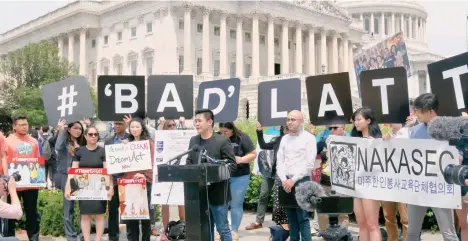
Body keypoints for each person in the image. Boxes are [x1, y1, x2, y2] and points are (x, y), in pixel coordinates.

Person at [406, 93, 458, 241]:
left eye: (418, 110)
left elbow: (458, 154)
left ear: (430, 111)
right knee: (412, 233)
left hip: (440, 186)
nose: (415, 114)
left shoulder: (449, 129)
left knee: (448, 233)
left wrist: (457, 157)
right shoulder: (415, 131)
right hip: (418, 186)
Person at [185, 109, 236, 241]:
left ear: (210, 122)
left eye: (199, 121)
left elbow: (232, 165)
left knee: (222, 228)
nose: (196, 124)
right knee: (205, 229)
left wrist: (215, 172)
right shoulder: (193, 141)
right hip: (199, 194)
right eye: (195, 121)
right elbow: (189, 162)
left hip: (218, 193)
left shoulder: (222, 141)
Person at [64, 126, 112, 241]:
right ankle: (87, 239)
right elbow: (73, 171)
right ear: (85, 136)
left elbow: (107, 172)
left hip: (99, 189)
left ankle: (98, 239)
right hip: (83, 189)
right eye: (90, 134)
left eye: (95, 134)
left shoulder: (102, 151)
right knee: (85, 216)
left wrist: (110, 187)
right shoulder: (79, 151)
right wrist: (68, 187)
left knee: (100, 215)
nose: (93, 136)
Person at [276, 110, 316, 241]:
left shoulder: (309, 138)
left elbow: (309, 164)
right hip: (285, 181)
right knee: (291, 217)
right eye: (288, 119)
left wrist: (293, 180)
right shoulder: (284, 139)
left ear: (301, 121)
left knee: (302, 217)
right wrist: (284, 180)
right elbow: (280, 161)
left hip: (301, 181)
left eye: (293, 119)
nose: (289, 122)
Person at [246, 121, 289, 232]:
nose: (285, 130)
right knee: (263, 194)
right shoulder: (278, 140)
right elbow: (263, 145)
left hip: (286, 174)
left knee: (281, 198)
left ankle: (282, 223)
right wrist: (260, 131)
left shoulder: (296, 141)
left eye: (287, 128)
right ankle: (258, 221)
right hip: (271, 171)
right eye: (284, 128)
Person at [4, 115, 42, 241]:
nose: (24, 127)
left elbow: (38, 161)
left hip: (30, 184)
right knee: (10, 213)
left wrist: (39, 180)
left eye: (26, 124)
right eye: (21, 125)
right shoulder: (7, 141)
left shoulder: (34, 141)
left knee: (32, 213)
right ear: (14, 126)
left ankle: (34, 238)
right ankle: (9, 237)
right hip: (12, 184)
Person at [218, 122, 256, 241]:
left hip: (240, 176)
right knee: (221, 204)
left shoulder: (242, 137)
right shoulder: (216, 137)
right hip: (221, 176)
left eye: (226, 132)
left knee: (236, 204)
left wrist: (242, 159)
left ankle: (234, 230)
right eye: (221, 132)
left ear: (233, 130)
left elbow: (253, 154)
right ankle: (220, 230)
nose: (223, 134)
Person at [350, 107, 383, 241]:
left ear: (368, 120)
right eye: (354, 120)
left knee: (372, 224)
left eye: (359, 119)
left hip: (371, 185)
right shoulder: (354, 139)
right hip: (356, 186)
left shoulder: (377, 141)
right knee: (362, 224)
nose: (356, 123)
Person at [55, 119, 88, 241]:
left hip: (81, 175)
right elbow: (57, 147)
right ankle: (71, 235)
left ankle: (83, 233)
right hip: (67, 176)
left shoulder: (82, 142)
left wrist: (88, 125)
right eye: (75, 128)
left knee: (83, 206)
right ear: (69, 129)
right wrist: (61, 130)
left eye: (80, 129)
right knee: (68, 207)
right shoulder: (64, 141)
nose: (78, 131)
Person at [122, 117, 154, 241]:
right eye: (132, 127)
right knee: (130, 214)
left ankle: (146, 239)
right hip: (128, 182)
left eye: (137, 126)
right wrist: (123, 148)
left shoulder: (149, 143)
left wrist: (144, 176)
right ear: (129, 129)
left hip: (144, 182)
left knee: (144, 215)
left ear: (142, 128)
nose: (135, 129)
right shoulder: (126, 143)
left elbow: (152, 162)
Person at [381, 123, 409, 241]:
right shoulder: (385, 135)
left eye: (394, 119)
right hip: (388, 180)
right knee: (388, 216)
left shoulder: (409, 133)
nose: (392, 122)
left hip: (403, 180)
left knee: (406, 218)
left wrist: (393, 142)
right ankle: (392, 238)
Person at [159, 119, 186, 241]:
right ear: (164, 127)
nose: (172, 127)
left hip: (179, 172)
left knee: (181, 201)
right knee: (165, 203)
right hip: (165, 172)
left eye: (174, 125)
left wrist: (183, 124)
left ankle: (184, 227)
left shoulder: (180, 136)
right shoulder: (160, 137)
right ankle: (165, 231)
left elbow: (189, 137)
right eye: (169, 125)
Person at [105, 120, 129, 241]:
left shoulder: (132, 139)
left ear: (125, 125)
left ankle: (131, 236)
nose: (117, 126)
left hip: (128, 178)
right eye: (116, 124)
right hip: (113, 179)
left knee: (128, 210)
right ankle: (113, 237)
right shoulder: (108, 141)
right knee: (113, 211)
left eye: (120, 123)